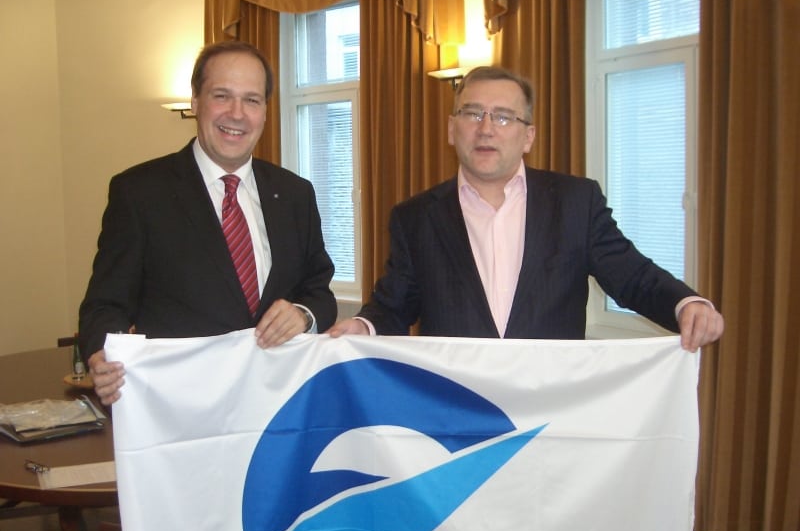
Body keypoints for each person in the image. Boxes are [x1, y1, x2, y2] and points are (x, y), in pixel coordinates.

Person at [328, 66, 723, 350]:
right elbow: (393, 306)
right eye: (472, 113)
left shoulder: (575, 203)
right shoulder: (415, 218)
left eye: (503, 117)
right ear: (452, 129)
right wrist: (363, 327)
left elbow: (633, 277)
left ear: (528, 136)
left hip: (549, 414)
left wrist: (686, 304)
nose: (486, 128)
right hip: (455, 413)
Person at [80, 41, 337, 405]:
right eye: (222, 96)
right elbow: (105, 305)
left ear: (265, 111)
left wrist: (303, 314)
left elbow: (319, 292)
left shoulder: (295, 193)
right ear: (196, 102)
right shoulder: (140, 193)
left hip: (279, 405)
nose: (237, 113)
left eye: (252, 100)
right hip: (179, 409)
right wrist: (102, 353)